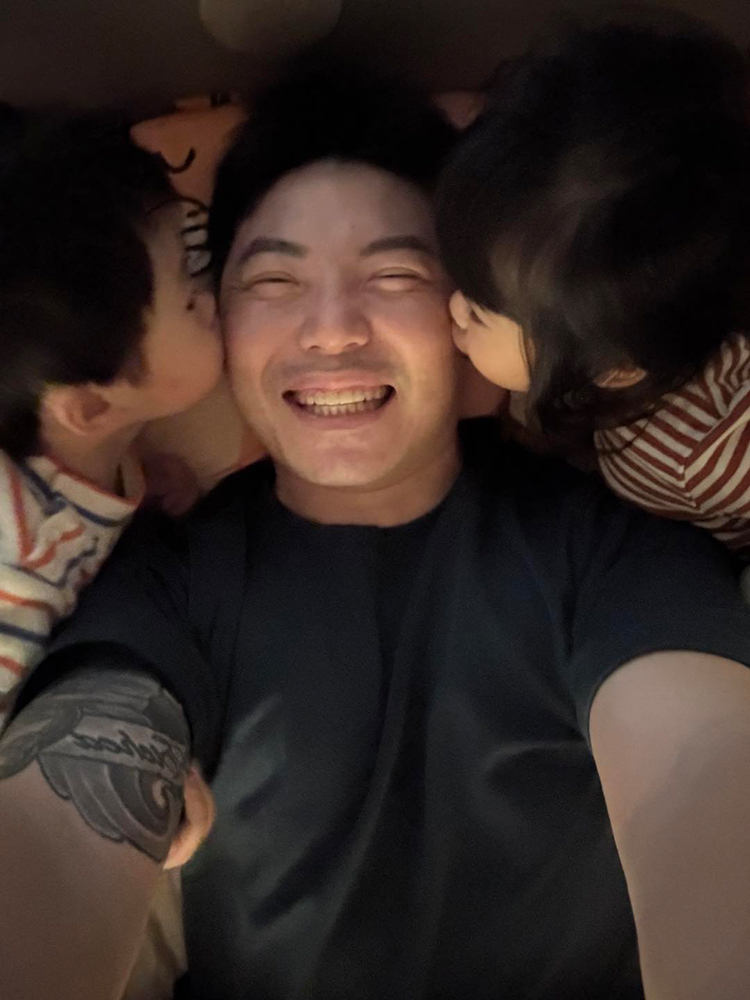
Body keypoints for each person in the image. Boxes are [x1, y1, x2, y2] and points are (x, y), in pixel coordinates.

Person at [1, 65, 750, 1000]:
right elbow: (59, 822)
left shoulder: (615, 545)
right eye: (274, 279)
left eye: (395, 275)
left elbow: (708, 785)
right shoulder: (162, 575)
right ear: (217, 316)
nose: (331, 331)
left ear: (470, 308)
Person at [437, 18, 750, 557]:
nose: (452, 308)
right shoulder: (606, 312)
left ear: (614, 367)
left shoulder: (688, 459)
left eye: (479, 313)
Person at [0, 116, 223, 726]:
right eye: (188, 297)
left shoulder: (96, 438)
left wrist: (142, 492)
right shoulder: (18, 552)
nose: (211, 297)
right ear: (94, 407)